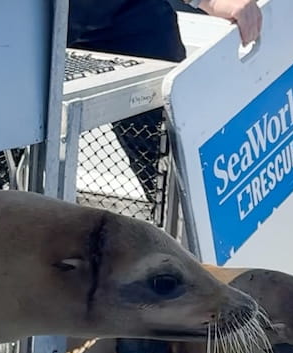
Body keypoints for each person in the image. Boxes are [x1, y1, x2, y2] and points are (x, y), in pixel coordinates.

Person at [66, 0, 264, 210]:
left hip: (130, 15)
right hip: (35, 17)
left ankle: (184, 231)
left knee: (174, 158)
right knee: (27, 132)